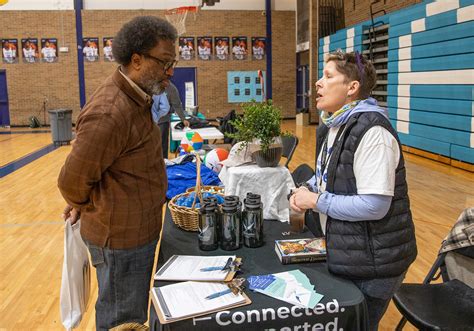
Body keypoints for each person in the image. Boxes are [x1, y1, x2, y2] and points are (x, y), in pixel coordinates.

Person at [58, 16, 177, 330]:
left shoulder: (136, 97)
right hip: (121, 241)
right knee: (121, 320)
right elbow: (71, 181)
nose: (171, 71)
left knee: (131, 314)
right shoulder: (110, 111)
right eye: (165, 62)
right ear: (136, 60)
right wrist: (84, 205)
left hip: (135, 235)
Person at [289, 51, 417, 331]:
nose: (317, 84)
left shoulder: (373, 132)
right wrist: (305, 192)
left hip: (376, 262)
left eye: (328, 76)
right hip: (348, 252)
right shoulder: (333, 125)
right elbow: (329, 178)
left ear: (352, 88)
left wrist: (317, 200)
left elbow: (374, 206)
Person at [152, 80, 189, 158]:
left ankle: (164, 163)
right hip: (150, 121)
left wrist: (183, 119)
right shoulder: (153, 85)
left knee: (162, 143)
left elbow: (177, 105)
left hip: (163, 121)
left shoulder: (172, 89)